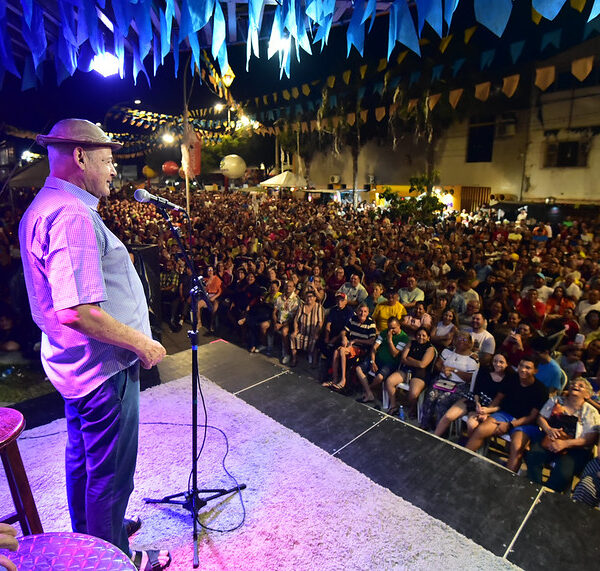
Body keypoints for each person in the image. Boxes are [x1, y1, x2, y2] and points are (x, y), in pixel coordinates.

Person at [18, 119, 170, 570]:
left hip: (74, 366)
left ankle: (96, 535)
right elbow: (78, 312)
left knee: (85, 462)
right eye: (107, 160)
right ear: (81, 157)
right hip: (102, 370)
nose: (114, 170)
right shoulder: (71, 215)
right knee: (110, 475)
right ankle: (114, 557)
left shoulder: (46, 204)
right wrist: (142, 344)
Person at [465, 357, 548, 472]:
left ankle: (508, 478)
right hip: (504, 414)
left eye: (527, 367)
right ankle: (462, 459)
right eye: (521, 366)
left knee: (517, 447)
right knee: (481, 430)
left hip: (525, 423)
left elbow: (532, 417)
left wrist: (509, 425)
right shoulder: (512, 378)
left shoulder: (541, 390)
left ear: (535, 371)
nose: (523, 370)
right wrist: (488, 411)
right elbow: (498, 398)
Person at [526, 378, 600, 493]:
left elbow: (589, 439)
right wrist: (548, 429)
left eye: (581, 386)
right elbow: (540, 418)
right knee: (533, 456)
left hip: (575, 448)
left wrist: (564, 444)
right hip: (550, 440)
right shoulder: (556, 400)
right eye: (573, 384)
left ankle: (547, 495)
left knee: (563, 473)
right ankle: (534, 489)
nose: (575, 386)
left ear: (587, 395)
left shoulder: (591, 412)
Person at [434, 353, 515, 439]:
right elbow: (476, 390)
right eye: (495, 361)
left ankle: (468, 446)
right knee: (448, 416)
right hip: (475, 399)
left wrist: (487, 411)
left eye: (501, 362)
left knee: (472, 425)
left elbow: (502, 403)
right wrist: (477, 403)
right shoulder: (484, 370)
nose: (497, 364)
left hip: (491, 407)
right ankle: (434, 438)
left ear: (507, 364)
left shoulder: (509, 379)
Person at [419, 331, 479, 431]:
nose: (461, 341)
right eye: (459, 338)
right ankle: (425, 424)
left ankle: (440, 430)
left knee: (442, 400)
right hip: (442, 380)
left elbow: (470, 378)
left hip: (460, 385)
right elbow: (438, 364)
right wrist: (443, 369)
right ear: (454, 340)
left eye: (464, 339)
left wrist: (453, 370)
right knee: (430, 396)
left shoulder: (472, 359)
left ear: (470, 343)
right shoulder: (448, 351)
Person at [355, 317, 408, 404]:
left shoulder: (404, 338)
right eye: (389, 328)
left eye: (393, 328)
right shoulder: (384, 333)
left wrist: (390, 340)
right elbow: (374, 347)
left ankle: (368, 389)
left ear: (399, 326)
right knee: (358, 369)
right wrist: (373, 361)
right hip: (377, 359)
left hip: (390, 363)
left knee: (379, 377)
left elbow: (395, 354)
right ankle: (369, 393)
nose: (391, 331)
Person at [385, 327, 436, 417]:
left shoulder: (430, 349)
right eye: (419, 335)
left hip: (420, 374)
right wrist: (415, 362)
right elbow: (403, 358)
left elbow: (422, 365)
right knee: (389, 381)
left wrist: (410, 359)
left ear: (428, 337)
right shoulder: (411, 343)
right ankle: (393, 406)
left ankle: (413, 408)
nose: (421, 337)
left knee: (413, 394)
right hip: (407, 370)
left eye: (424, 335)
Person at [325, 303, 376, 391]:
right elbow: (344, 331)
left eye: (365, 311)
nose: (362, 313)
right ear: (357, 311)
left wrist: (356, 340)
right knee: (336, 351)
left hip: (361, 348)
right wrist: (344, 338)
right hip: (350, 346)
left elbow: (371, 341)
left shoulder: (370, 323)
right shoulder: (353, 319)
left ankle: (343, 380)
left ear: (368, 313)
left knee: (342, 350)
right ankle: (335, 379)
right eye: (360, 311)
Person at [289, 289, 324, 367]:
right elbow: (296, 320)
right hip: (301, 331)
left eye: (311, 296)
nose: (309, 298)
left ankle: (314, 360)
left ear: (315, 298)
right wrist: (295, 330)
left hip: (313, 332)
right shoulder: (302, 306)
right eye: (307, 297)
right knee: (292, 336)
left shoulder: (318, 307)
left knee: (315, 340)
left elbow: (320, 322)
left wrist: (316, 333)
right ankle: (294, 358)